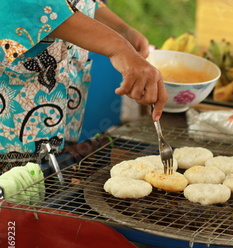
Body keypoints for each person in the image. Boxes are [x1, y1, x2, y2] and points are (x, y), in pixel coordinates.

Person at [0, 1, 168, 160]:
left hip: (58, 114)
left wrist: (120, 29)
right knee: (15, 184)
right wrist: (118, 47)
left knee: (50, 178)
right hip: (12, 117)